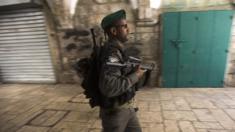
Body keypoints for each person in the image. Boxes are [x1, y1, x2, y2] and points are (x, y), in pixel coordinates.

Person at [98, 9, 146, 132]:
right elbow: (110, 87)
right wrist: (136, 75)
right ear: (114, 31)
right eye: (124, 26)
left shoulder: (118, 50)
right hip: (115, 112)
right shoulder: (112, 53)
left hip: (127, 106)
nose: (128, 30)